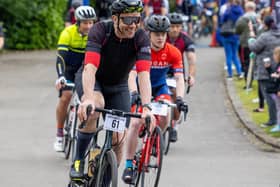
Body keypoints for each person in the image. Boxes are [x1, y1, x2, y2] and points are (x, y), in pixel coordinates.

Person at [70, 0, 155, 181]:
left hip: (118, 86)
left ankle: (107, 180)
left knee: (119, 139)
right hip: (94, 81)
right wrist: (88, 99)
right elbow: (90, 68)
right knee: (96, 106)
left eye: (137, 20)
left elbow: (143, 75)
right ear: (115, 18)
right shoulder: (100, 30)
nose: (133, 25)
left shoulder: (141, 38)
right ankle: (78, 160)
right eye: (128, 20)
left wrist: (147, 107)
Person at [124, 15, 186, 184]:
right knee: (136, 123)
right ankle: (129, 165)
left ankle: (152, 142)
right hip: (139, 88)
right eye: (156, 34)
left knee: (166, 115)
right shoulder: (141, 49)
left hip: (159, 87)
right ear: (149, 34)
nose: (160, 37)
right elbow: (132, 74)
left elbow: (180, 78)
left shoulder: (173, 52)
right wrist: (133, 93)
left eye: (163, 34)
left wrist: (179, 98)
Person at [53, 6, 96, 152]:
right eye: (85, 23)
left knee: (87, 98)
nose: (89, 26)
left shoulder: (95, 34)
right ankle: (59, 133)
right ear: (77, 22)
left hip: (84, 70)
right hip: (69, 69)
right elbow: (60, 58)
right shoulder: (67, 33)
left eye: (91, 22)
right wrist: (60, 77)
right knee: (66, 96)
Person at [166, 12, 196, 141]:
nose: (174, 29)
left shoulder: (185, 39)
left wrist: (191, 76)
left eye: (177, 26)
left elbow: (191, 60)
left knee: (175, 97)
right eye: (172, 26)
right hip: (159, 71)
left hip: (176, 73)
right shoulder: (160, 36)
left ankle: (174, 127)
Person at [248, 15, 280, 127]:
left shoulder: (265, 36)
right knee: (276, 97)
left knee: (269, 96)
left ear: (265, 24)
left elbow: (254, 47)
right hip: (277, 69)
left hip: (265, 69)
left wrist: (251, 38)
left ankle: (272, 120)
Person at [235, 1, 258, 87]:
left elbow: (237, 31)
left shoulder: (242, 19)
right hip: (258, 44)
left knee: (245, 63)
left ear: (246, 8)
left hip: (245, 44)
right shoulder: (258, 18)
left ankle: (248, 82)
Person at [221, 0, 244, 79]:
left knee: (228, 55)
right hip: (236, 35)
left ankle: (230, 74)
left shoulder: (228, 9)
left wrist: (227, 9)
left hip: (227, 35)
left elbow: (222, 20)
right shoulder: (240, 11)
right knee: (235, 55)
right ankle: (239, 72)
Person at [264, 46, 280, 132]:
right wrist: (268, 68)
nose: (273, 56)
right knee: (278, 108)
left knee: (279, 108)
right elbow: (274, 75)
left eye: (275, 54)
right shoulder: (277, 65)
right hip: (275, 90)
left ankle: (279, 125)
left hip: (277, 90)